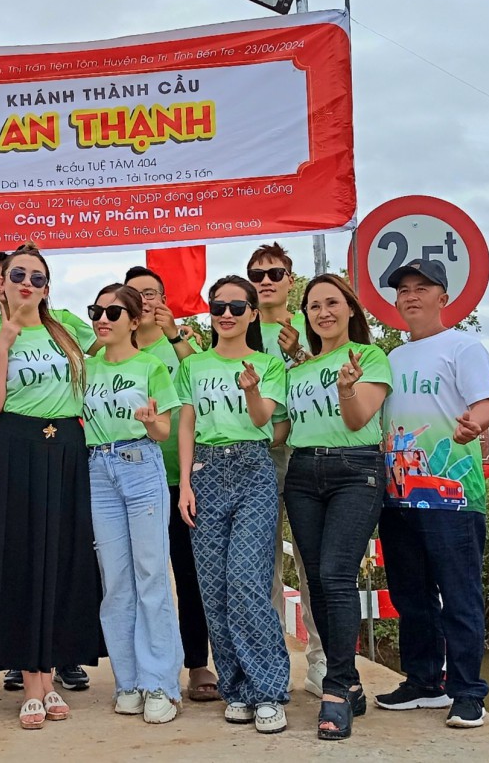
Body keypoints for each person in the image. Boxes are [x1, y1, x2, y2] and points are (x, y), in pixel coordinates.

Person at [0, 244, 101, 729]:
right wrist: (4, 342)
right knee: (22, 561)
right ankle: (31, 684)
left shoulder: (67, 328)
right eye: (17, 274)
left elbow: (114, 351)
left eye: (37, 277)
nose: (27, 283)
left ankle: (51, 674)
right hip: (13, 447)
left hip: (66, 449)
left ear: (47, 286)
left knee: (60, 559)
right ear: (1, 283)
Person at [373, 259, 489, 730]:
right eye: (403, 289)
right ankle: (423, 682)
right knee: (411, 595)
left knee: (460, 594)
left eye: (422, 288)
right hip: (398, 495)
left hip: (454, 497)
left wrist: (473, 425)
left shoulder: (463, 347)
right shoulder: (390, 358)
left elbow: (486, 402)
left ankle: (467, 693)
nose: (411, 296)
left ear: (443, 298)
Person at [176, 276, 291, 736]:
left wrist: (250, 389)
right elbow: (187, 424)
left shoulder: (268, 364)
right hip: (205, 470)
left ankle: (269, 691)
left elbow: (264, 419)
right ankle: (237, 687)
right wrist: (185, 484)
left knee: (247, 580)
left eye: (237, 307)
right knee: (214, 587)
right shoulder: (192, 365)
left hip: (253, 468)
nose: (226, 314)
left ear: (251, 313)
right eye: (218, 306)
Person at [281, 274, 392, 741]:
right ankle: (349, 682)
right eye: (314, 306)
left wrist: (347, 387)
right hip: (303, 472)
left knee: (336, 576)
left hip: (355, 469)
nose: (323, 312)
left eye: (332, 303)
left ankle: (336, 688)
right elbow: (282, 427)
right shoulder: (297, 370)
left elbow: (357, 418)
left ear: (350, 309)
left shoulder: (369, 357)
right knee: (318, 582)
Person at [84, 284, 183, 724]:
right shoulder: (84, 368)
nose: (102, 319)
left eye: (113, 312)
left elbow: (164, 430)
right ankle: (127, 682)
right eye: (96, 311)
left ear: (134, 320)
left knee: (150, 575)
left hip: (140, 464)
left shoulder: (151, 365)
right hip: (97, 470)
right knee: (116, 581)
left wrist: (150, 422)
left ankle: (160, 683)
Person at [123, 265, 218, 704]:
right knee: (138, 577)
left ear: (164, 300)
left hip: (181, 478)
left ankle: (197, 663)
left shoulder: (182, 346)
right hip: (128, 481)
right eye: (135, 294)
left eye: (152, 293)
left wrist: (176, 335)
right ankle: (139, 668)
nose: (145, 301)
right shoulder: (112, 347)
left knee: (189, 574)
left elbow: (202, 381)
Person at [247, 242, 327, 698]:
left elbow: (328, 378)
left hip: (306, 453)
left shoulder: (311, 324)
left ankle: (320, 661)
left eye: (274, 273)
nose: (265, 282)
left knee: (312, 562)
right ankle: (271, 662)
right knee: (265, 567)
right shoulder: (240, 325)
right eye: (257, 275)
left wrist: (297, 353)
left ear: (289, 281)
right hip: (258, 455)